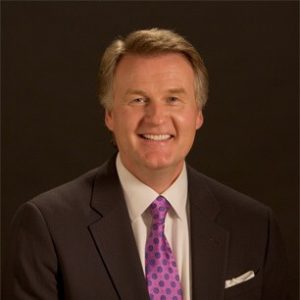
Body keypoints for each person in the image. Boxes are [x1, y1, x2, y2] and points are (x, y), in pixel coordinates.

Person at [6, 28, 288, 300]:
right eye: (138, 99)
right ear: (110, 115)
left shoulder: (254, 225)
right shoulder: (48, 227)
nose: (156, 117)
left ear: (198, 114)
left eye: (173, 99)